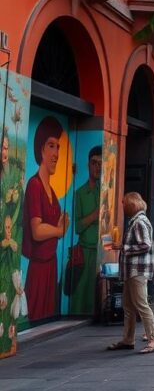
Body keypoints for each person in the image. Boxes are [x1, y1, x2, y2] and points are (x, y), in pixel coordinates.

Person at [23, 116, 69, 322]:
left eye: (58, 147)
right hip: (39, 269)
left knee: (46, 315)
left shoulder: (51, 190)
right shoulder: (34, 185)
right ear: (41, 150)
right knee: (34, 314)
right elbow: (37, 230)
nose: (56, 154)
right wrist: (59, 230)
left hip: (51, 265)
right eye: (51, 146)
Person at [106, 192, 154, 354]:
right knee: (129, 306)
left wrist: (122, 248)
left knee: (141, 304)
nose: (123, 208)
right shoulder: (136, 221)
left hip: (137, 270)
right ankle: (128, 339)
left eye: (124, 204)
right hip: (132, 270)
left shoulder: (139, 222)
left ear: (132, 205)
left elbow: (146, 245)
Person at [69, 145, 102, 315]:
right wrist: (94, 215)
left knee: (94, 294)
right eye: (94, 163)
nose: (97, 167)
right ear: (88, 165)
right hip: (84, 252)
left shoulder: (104, 192)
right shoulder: (80, 193)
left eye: (100, 164)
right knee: (80, 294)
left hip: (99, 251)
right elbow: (77, 226)